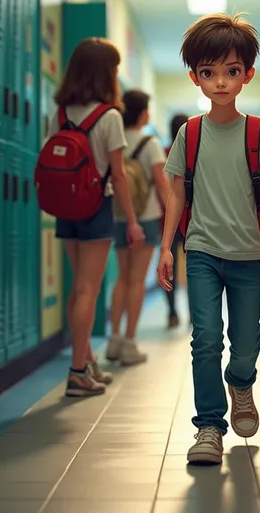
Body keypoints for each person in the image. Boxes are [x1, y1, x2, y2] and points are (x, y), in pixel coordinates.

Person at [157, 13, 260, 466]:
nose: (220, 82)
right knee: (206, 337)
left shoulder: (258, 133)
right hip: (201, 251)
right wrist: (166, 249)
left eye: (231, 72)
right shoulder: (189, 134)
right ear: (195, 77)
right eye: (209, 73)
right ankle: (209, 426)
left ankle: (241, 381)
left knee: (246, 340)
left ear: (247, 74)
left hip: (248, 252)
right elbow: (176, 192)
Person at [46, 37, 144, 397]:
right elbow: (118, 176)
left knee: (78, 288)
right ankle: (76, 373)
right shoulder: (110, 116)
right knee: (89, 289)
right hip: (96, 208)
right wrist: (132, 220)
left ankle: (87, 362)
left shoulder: (60, 112)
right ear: (106, 73)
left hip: (65, 208)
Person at [106, 90, 170, 365]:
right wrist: (175, 213)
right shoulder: (150, 143)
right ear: (143, 113)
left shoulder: (116, 139)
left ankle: (114, 339)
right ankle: (131, 342)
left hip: (119, 216)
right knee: (137, 281)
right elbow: (162, 183)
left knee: (122, 278)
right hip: (144, 219)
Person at [164, 113, 190, 329]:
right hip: (190, 220)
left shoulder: (164, 153)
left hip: (166, 220)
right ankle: (194, 314)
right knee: (194, 268)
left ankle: (172, 313)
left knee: (168, 267)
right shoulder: (192, 153)